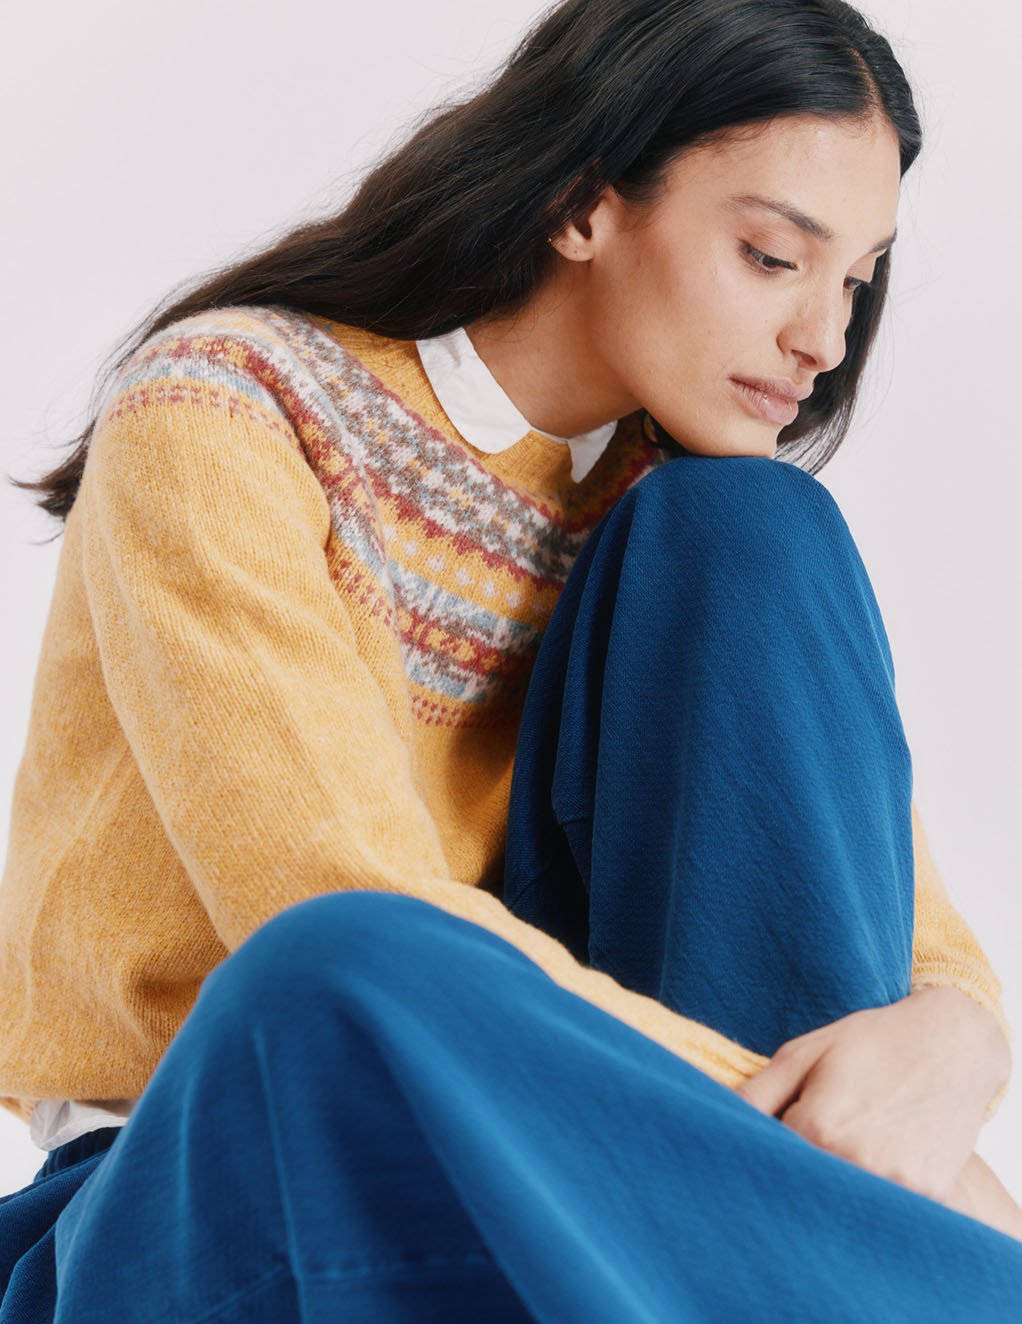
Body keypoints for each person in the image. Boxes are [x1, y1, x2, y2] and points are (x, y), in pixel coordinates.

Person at [1, 0, 1020, 1317]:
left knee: (756, 531)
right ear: (583, 207)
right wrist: (876, 1171)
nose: (821, 340)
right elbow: (322, 897)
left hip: (607, 1202)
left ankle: (829, 1267)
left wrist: (961, 1044)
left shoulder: (674, 506)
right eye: (774, 257)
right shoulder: (223, 409)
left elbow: (907, 926)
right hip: (226, 1158)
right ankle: (873, 1265)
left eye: (854, 279)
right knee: (345, 959)